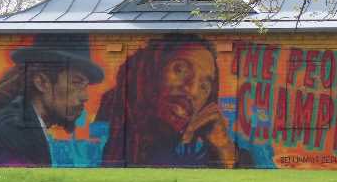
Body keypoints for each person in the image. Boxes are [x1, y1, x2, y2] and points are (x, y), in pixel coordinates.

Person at [0, 36, 105, 167]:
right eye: (76, 82)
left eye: (85, 86)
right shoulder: (14, 131)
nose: (85, 97)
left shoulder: (24, 124)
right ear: (41, 82)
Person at [96, 36, 240, 167]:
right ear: (149, 71)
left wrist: (224, 150)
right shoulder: (105, 133)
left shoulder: (198, 155)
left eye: (204, 86)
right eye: (180, 70)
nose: (193, 91)